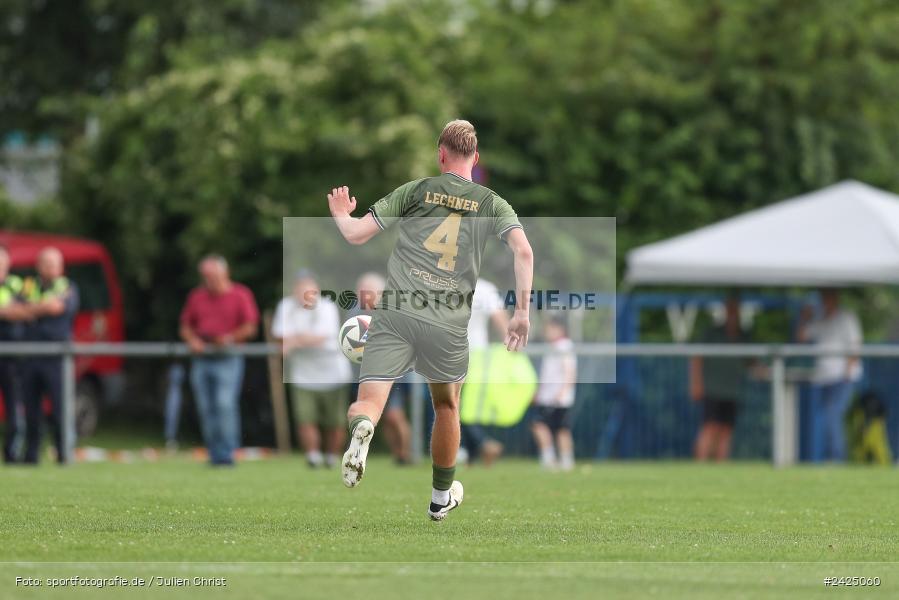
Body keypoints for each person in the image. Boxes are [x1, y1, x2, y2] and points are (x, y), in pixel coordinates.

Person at [326, 119, 533, 521]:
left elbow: (355, 234)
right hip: (447, 324)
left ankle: (364, 428)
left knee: (367, 403)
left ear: (441, 154)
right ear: (475, 157)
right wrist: (521, 313)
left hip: (397, 312)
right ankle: (440, 497)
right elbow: (523, 252)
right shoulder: (492, 203)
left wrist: (339, 213)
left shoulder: (417, 190)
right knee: (446, 406)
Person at [179, 255, 259, 466]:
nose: (208, 281)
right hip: (202, 357)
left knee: (224, 404)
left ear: (225, 274)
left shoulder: (241, 294)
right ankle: (214, 453)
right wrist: (193, 340)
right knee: (206, 407)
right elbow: (186, 326)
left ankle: (227, 453)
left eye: (212, 276)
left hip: (228, 357)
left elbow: (250, 326)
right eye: (205, 277)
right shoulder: (197, 296)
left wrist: (230, 338)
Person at [272, 269, 351, 468]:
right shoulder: (285, 306)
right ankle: (313, 457)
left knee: (335, 421)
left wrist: (295, 340)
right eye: (299, 287)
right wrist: (295, 340)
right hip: (302, 373)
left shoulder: (327, 307)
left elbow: (321, 336)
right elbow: (280, 336)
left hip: (333, 372)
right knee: (305, 417)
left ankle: (332, 457)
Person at [20, 247, 79, 464]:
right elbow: (16, 310)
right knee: (31, 411)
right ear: (39, 265)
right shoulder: (28, 285)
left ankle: (64, 454)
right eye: (48, 263)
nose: (53, 268)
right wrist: (40, 307)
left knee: (60, 410)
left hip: (57, 359)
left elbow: (57, 308)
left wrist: (31, 309)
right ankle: (31, 456)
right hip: (30, 357)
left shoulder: (68, 286)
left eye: (56, 264)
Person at [349, 272, 412, 465]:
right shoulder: (353, 314)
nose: (364, 295)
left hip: (394, 371)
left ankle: (406, 454)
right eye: (361, 291)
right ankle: (397, 455)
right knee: (380, 415)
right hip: (364, 372)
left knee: (394, 415)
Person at [798, 288, 862, 462]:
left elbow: (855, 346)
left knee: (832, 415)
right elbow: (802, 336)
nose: (825, 301)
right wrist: (805, 316)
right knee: (827, 418)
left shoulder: (847, 317)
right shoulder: (820, 320)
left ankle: (836, 458)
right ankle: (832, 456)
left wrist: (847, 373)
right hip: (823, 378)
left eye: (828, 297)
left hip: (842, 378)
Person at [689, 294, 749, 461]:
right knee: (709, 428)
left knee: (726, 430)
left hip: (733, 390)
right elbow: (696, 357)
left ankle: (720, 469)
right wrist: (695, 383)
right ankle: (699, 467)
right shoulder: (712, 333)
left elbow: (750, 362)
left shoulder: (743, 336)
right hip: (712, 388)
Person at [459, 277, 509, 466]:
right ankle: (471, 454)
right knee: (469, 405)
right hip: (479, 354)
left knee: (454, 403)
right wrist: (510, 342)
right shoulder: (486, 287)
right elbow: (499, 318)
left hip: (452, 351)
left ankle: (481, 444)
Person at [531, 314, 577, 471]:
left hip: (558, 398)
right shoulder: (552, 347)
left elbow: (570, 371)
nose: (547, 332)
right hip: (547, 397)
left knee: (559, 428)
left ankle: (561, 460)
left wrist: (562, 391)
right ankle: (553, 459)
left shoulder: (564, 346)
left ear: (560, 330)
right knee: (544, 426)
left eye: (550, 328)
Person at [0, 245, 28, 463]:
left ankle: (12, 453)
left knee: (15, 406)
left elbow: (29, 311)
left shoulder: (18, 285)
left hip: (12, 357)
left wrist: (9, 311)